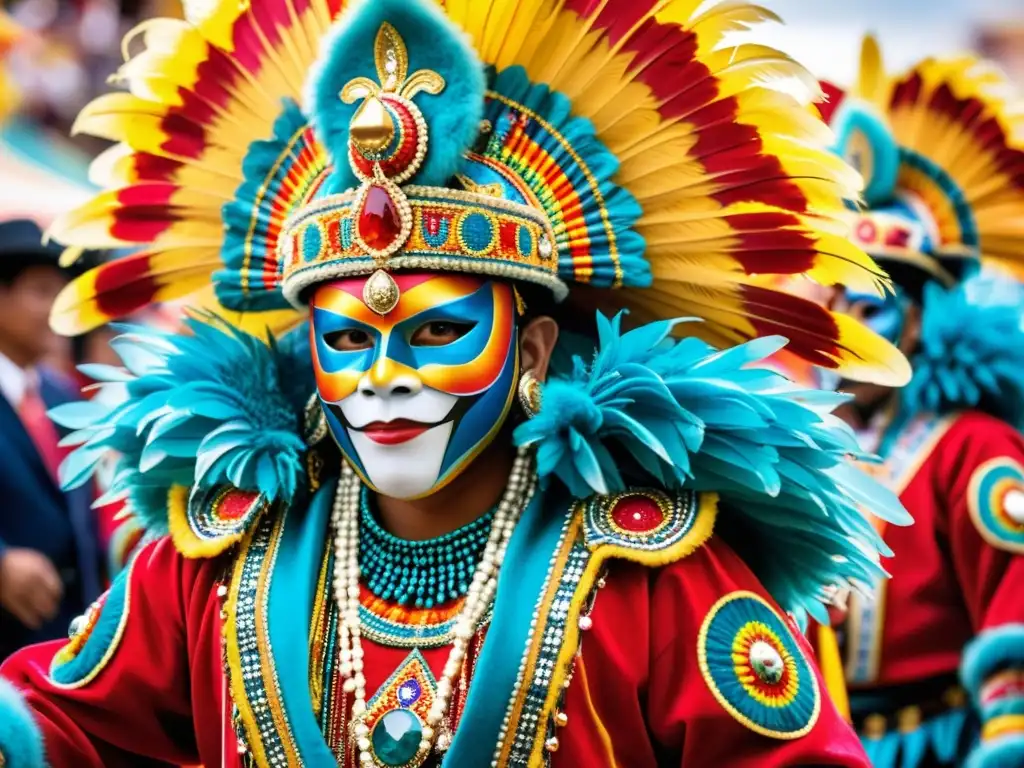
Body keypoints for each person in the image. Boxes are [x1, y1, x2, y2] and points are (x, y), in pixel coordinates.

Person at [0, 0, 915, 765]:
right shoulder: (212, 564)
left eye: (438, 331)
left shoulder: (655, 578)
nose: (386, 377)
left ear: (531, 351)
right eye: (350, 339)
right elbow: (64, 722)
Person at [817, 37, 1024, 768]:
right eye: (834, 306)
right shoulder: (810, 446)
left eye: (869, 311)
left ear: (918, 319)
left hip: (948, 744)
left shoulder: (974, 450)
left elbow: (1016, 603)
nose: (847, 336)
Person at [0, 218, 101, 660]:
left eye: (60, 294)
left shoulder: (60, 395)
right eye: (41, 292)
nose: (58, 310)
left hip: (61, 643)